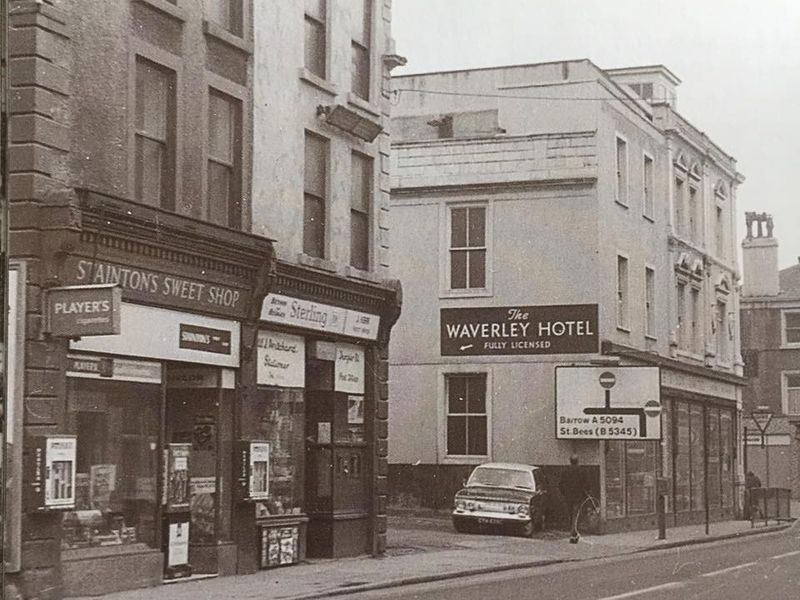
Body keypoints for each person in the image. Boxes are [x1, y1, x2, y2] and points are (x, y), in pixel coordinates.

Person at [559, 454, 589, 543]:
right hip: (578, 497)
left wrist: (564, 493)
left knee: (570, 514)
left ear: (570, 461)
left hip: (568, 496)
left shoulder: (565, 471)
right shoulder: (582, 471)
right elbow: (586, 484)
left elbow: (561, 484)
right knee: (576, 515)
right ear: (577, 461)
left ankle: (573, 533)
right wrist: (584, 494)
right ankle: (573, 534)